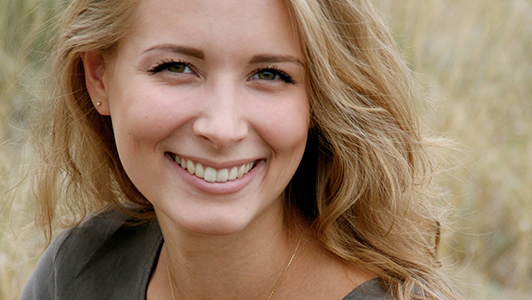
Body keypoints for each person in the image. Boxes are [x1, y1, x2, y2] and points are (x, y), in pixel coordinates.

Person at [19, 0, 459, 299]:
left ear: (319, 100)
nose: (223, 128)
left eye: (270, 75)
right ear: (99, 78)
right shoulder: (78, 271)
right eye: (176, 67)